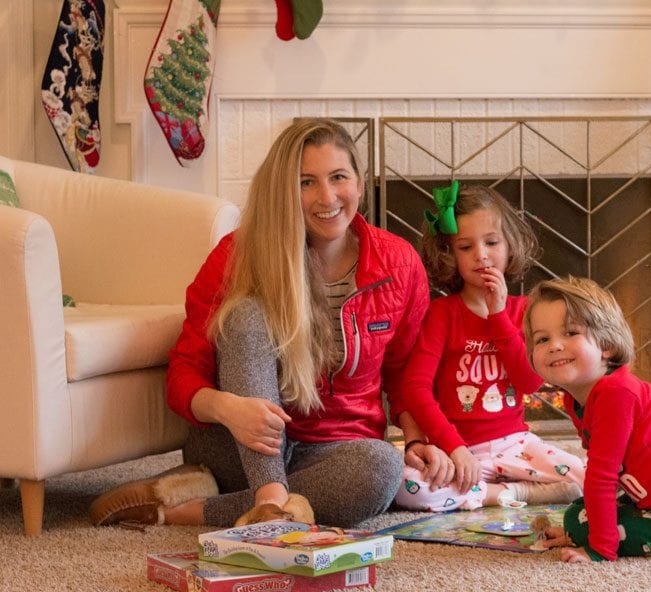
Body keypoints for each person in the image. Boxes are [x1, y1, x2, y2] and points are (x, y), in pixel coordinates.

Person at [89, 118, 430, 529]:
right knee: (246, 314)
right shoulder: (237, 255)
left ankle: (185, 507)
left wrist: (417, 439)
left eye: (339, 177)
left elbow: (405, 371)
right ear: (283, 190)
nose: (327, 196)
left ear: (359, 182)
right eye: (306, 182)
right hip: (236, 444)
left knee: (382, 469)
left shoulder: (400, 263)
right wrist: (228, 408)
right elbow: (183, 373)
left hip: (336, 450)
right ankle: (267, 495)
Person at [394, 182, 585, 514]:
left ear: (510, 246)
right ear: (450, 255)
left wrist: (498, 317)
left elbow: (530, 382)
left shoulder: (525, 311)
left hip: (516, 444)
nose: (481, 255)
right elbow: (414, 387)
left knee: (589, 478)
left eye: (492, 242)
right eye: (466, 247)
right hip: (460, 450)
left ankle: (498, 491)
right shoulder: (442, 314)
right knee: (408, 488)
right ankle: (512, 494)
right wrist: (453, 447)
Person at [523, 276, 651, 563]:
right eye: (543, 339)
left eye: (571, 332)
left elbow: (602, 477)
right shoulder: (577, 400)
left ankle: (597, 537)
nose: (555, 345)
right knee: (577, 513)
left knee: (582, 521)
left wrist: (598, 548)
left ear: (607, 345)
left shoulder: (616, 393)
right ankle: (589, 531)